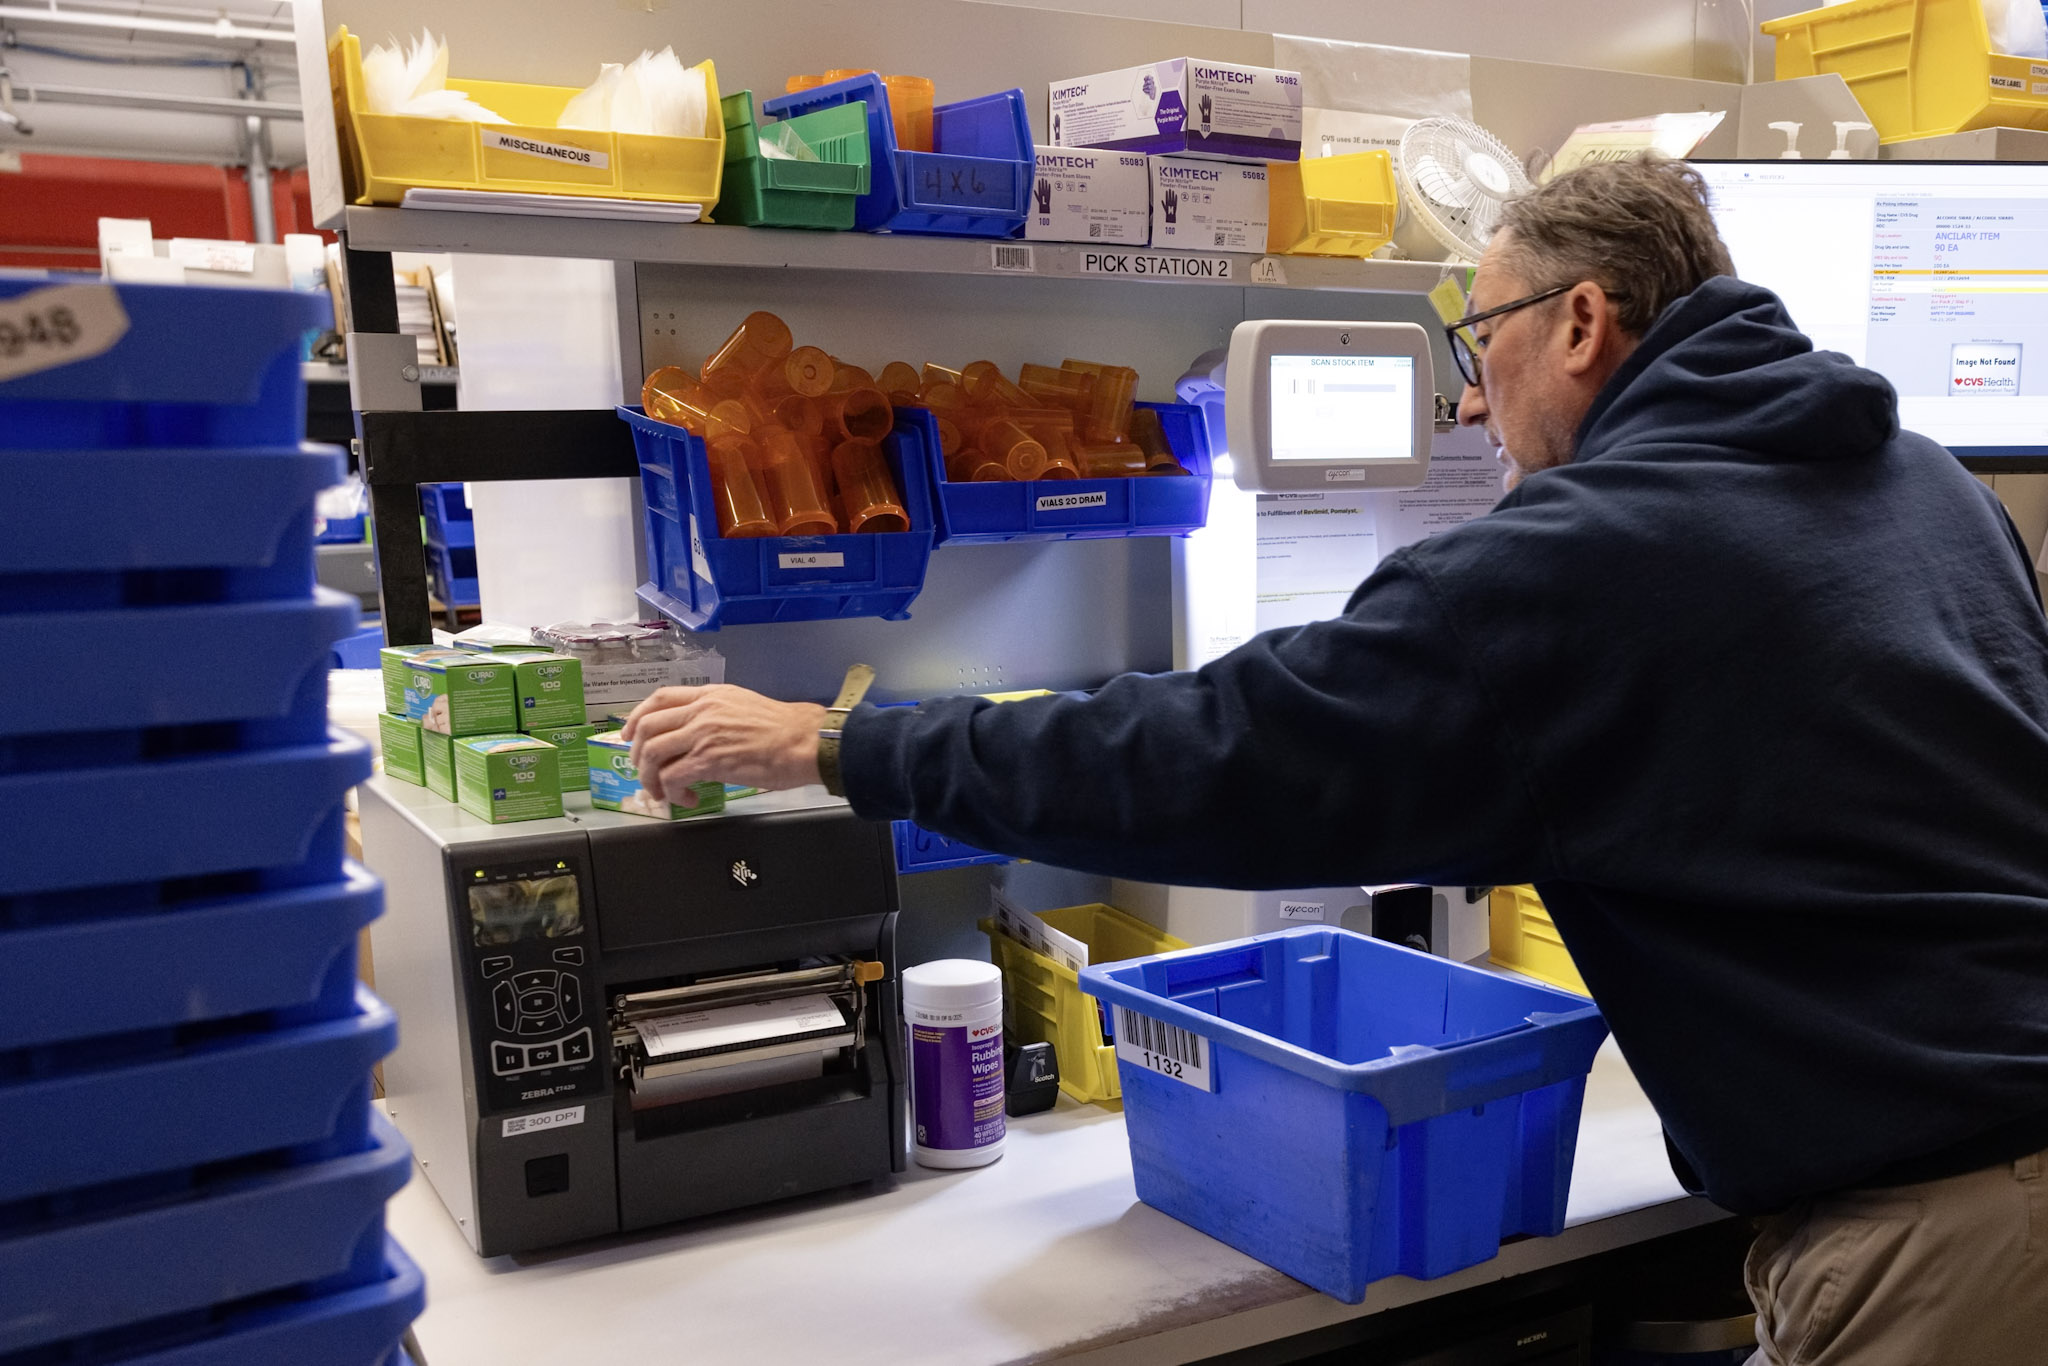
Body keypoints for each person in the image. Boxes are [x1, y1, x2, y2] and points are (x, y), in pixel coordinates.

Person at [622, 157, 2048, 1364]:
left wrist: (841, 743)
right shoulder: (1923, 481)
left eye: (1475, 339)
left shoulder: (1577, 568)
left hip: (1942, 1238)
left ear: (1582, 323)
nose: (1473, 404)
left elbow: (1211, 755)